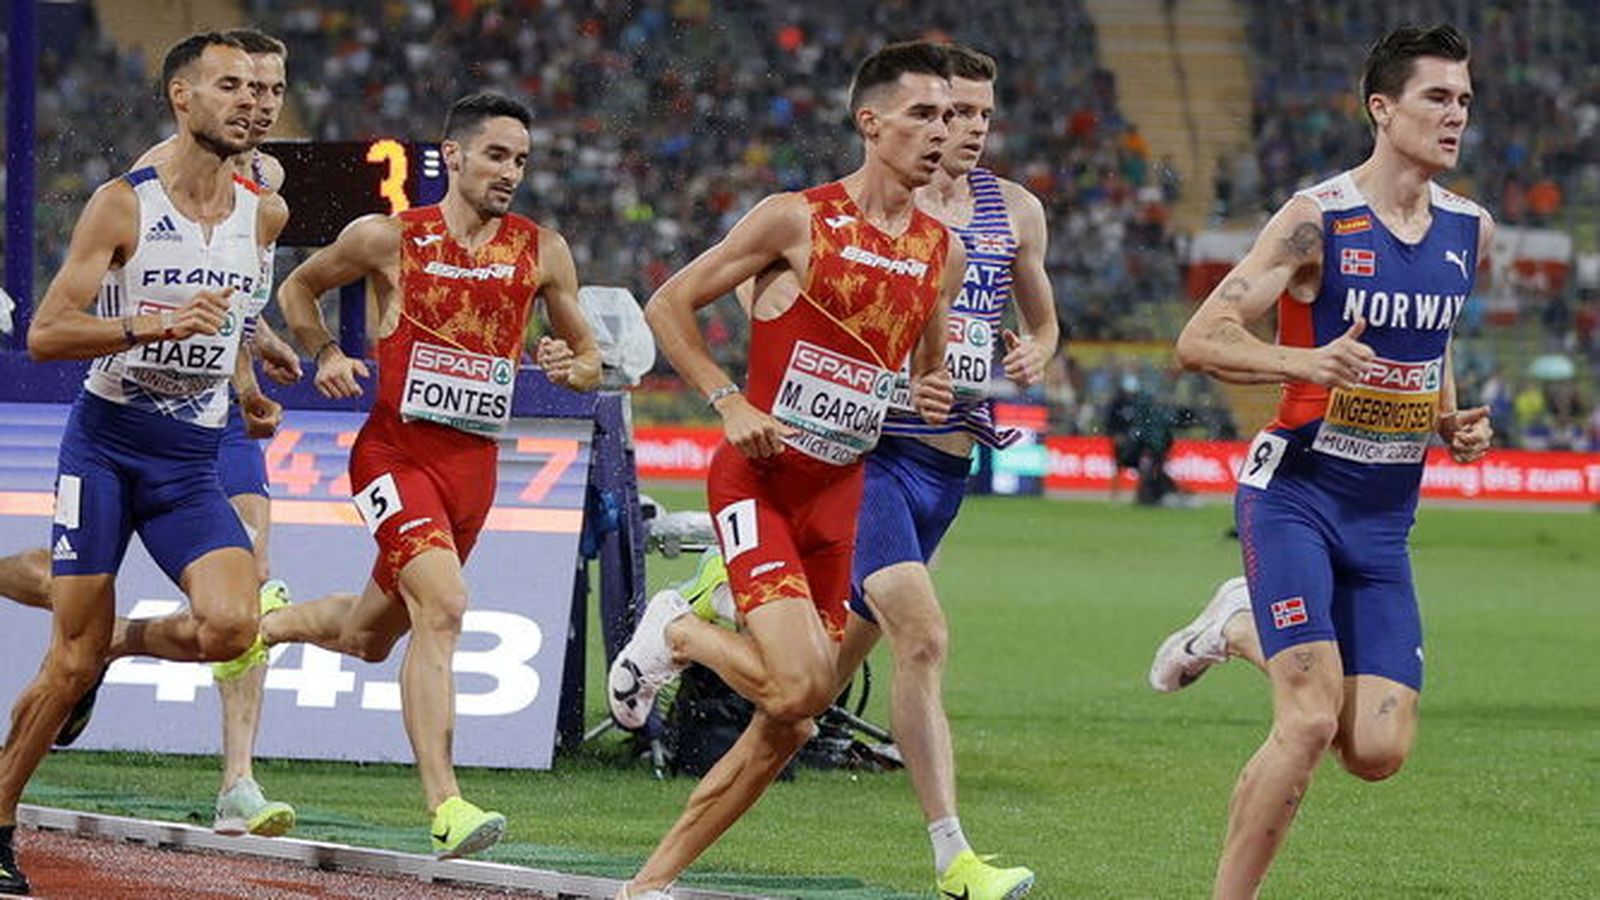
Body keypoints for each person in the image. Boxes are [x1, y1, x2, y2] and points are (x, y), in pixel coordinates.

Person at [608, 41, 963, 898]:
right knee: (802, 686)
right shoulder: (795, 220)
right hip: (758, 482)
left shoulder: (939, 250)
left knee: (790, 723)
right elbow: (667, 304)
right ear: (870, 122)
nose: (942, 131)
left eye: (950, 116)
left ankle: (647, 884)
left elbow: (926, 366)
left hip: (839, 495)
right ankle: (679, 631)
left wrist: (931, 388)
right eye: (923, 113)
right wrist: (728, 399)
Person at [1151, 24, 1493, 899]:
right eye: (1436, 97)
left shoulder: (1470, 228)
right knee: (1305, 723)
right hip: (1295, 495)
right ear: (1382, 108)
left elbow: (1433, 338)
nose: (1455, 115)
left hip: (1384, 521)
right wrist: (1302, 361)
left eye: (1463, 99)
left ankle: (1236, 623)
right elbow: (1199, 339)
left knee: (1375, 750)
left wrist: (1447, 419)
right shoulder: (1318, 219)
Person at [263, 91, 601, 859]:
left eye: (521, 160)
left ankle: (265, 625)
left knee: (368, 636)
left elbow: (588, 358)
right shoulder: (388, 237)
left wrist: (569, 365)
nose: (510, 172)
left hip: (475, 471)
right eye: (496, 155)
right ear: (453, 155)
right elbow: (297, 288)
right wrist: (324, 353)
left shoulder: (544, 250)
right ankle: (447, 806)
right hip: (394, 455)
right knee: (443, 606)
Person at [0, 32, 287, 896]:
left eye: (262, 90)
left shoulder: (264, 215)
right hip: (106, 449)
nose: (252, 102)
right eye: (230, 86)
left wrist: (246, 381)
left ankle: (112, 643)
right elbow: (46, 333)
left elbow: (231, 314)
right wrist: (152, 325)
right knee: (67, 666)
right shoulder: (122, 205)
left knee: (233, 627)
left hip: (191, 461)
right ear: (181, 97)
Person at [827, 42, 1054, 900]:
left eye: (983, 115)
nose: (969, 129)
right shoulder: (880, 205)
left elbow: (1044, 321)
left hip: (948, 465)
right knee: (922, 638)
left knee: (812, 687)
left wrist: (1036, 350)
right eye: (952, 112)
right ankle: (954, 857)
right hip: (874, 453)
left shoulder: (1015, 211)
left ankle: (684, 629)